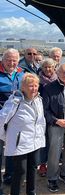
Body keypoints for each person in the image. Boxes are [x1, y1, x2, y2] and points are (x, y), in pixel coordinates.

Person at [0, 73, 46, 195]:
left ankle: (32, 192)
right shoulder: (15, 101)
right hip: (20, 144)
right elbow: (1, 120)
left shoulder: (38, 100)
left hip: (35, 142)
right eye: (31, 86)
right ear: (23, 87)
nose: (34, 88)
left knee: (32, 168)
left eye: (36, 85)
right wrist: (6, 137)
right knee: (20, 171)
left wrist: (41, 138)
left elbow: (41, 122)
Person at [42, 63, 65, 193]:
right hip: (55, 125)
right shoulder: (48, 88)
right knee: (54, 153)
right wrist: (56, 121)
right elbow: (45, 110)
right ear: (57, 73)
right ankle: (52, 178)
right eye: (63, 72)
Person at [0, 49, 24, 190]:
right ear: (3, 60)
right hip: (1, 118)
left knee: (11, 149)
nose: (12, 62)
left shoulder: (21, 74)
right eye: (9, 59)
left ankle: (9, 175)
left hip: (16, 120)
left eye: (14, 60)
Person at [37, 58, 58, 177]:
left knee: (53, 141)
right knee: (43, 140)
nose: (47, 69)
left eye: (50, 67)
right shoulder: (38, 81)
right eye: (45, 67)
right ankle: (42, 164)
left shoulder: (57, 80)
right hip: (41, 114)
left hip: (54, 114)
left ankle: (52, 163)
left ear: (54, 68)